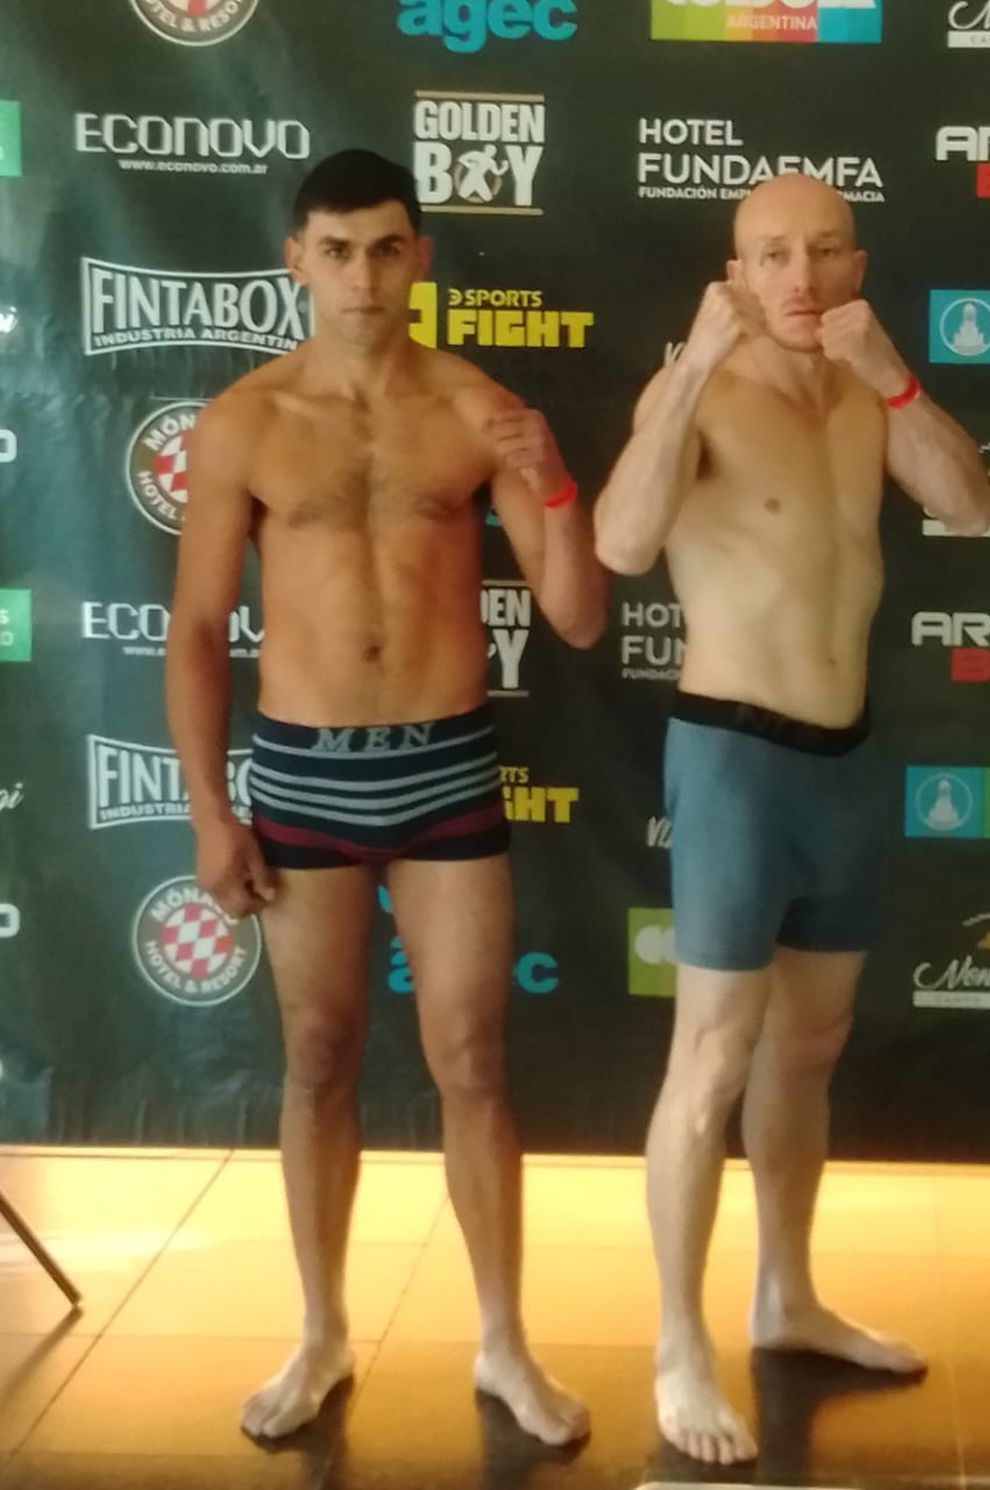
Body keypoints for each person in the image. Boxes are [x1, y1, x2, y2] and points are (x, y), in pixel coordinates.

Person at [166, 149, 606, 1444]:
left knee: (472, 1057)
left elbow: (580, 617)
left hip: (445, 765)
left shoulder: (479, 409)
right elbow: (196, 628)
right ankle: (320, 1332)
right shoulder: (244, 421)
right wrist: (208, 809)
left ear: (420, 258)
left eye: (386, 248)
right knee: (316, 1056)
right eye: (337, 251)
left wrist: (555, 477)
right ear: (296, 262)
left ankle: (505, 1343)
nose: (363, 275)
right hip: (302, 772)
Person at [593, 172, 990, 1467]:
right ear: (735, 273)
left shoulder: (865, 394)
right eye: (772, 254)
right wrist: (689, 373)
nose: (800, 277)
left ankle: (787, 1295)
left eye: (823, 250)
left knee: (809, 1046)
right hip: (735, 758)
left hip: (843, 758)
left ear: (856, 264)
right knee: (712, 1057)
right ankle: (677, 1342)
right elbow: (619, 544)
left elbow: (972, 503)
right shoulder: (698, 391)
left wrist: (894, 380)